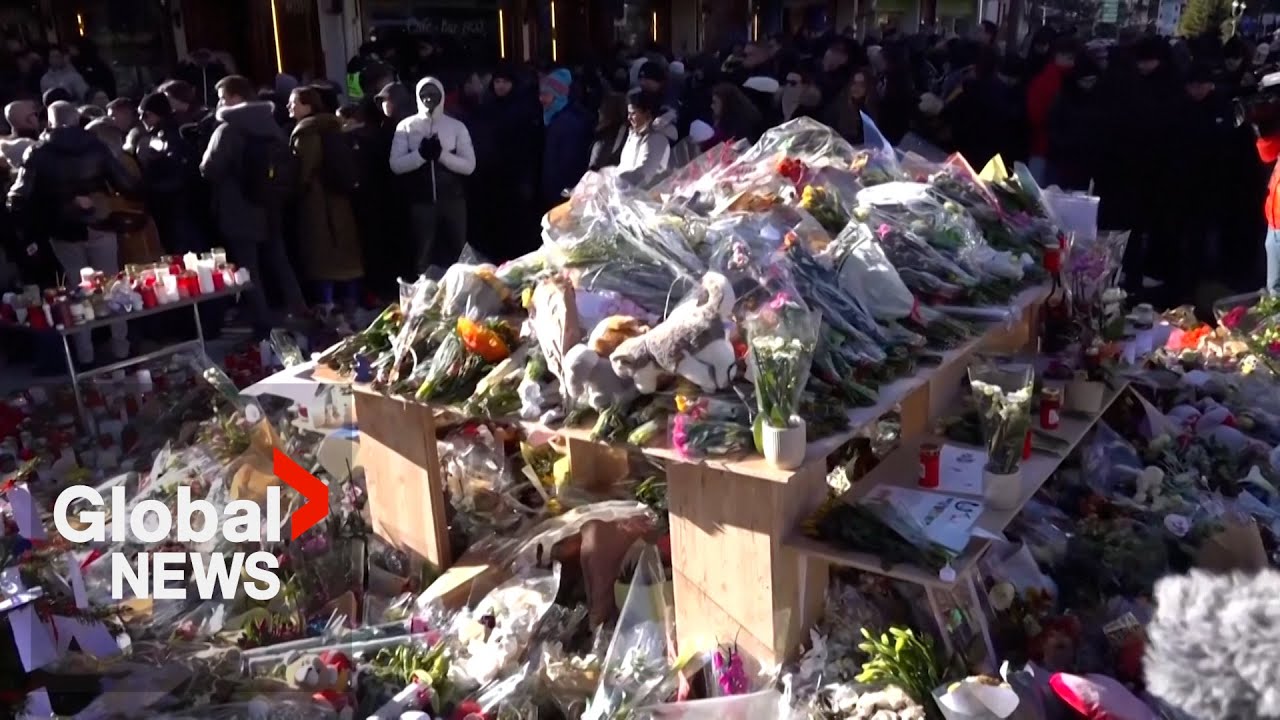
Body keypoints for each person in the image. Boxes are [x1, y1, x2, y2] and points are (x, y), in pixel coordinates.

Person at [7, 101, 136, 365]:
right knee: (111, 287)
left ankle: (85, 355)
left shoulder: (38, 152)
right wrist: (101, 196)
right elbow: (127, 183)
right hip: (98, 223)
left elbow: (18, 197)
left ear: (50, 121)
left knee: (76, 292)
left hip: (62, 229)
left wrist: (48, 207)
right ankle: (121, 349)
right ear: (77, 119)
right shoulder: (96, 147)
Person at [200, 74, 306, 336]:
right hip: (272, 206)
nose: (219, 103)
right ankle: (300, 311)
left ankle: (263, 325)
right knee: (280, 260)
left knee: (249, 270)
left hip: (238, 208)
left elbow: (210, 168)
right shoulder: (271, 124)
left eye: (223, 98)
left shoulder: (227, 129)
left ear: (236, 97)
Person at [287, 86, 364, 313]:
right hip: (340, 201)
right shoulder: (333, 127)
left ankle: (326, 306)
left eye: (294, 102)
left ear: (308, 105)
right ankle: (351, 301)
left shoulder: (307, 132)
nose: (289, 106)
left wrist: (295, 190)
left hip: (317, 202)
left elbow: (304, 170)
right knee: (346, 255)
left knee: (322, 257)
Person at [389, 76, 475, 277]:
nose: (428, 99)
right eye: (424, 95)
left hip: (453, 198)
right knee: (422, 253)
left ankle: (462, 289)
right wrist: (420, 155)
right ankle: (424, 291)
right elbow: (396, 164)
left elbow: (469, 165)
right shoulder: (406, 126)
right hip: (421, 200)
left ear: (441, 96)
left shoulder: (456, 126)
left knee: (459, 251)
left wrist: (442, 156)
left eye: (433, 94)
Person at [135, 92, 204, 254]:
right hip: (183, 202)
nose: (141, 119)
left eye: (145, 114)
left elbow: (175, 172)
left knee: (182, 248)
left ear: (156, 114)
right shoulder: (177, 130)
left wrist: (149, 186)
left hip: (174, 204)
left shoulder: (168, 137)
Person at [1045, 57, 1105, 192]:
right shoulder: (1064, 97)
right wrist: (1064, 143)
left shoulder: (1100, 95)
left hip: (1092, 157)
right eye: (1085, 81)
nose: (1089, 85)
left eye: (1092, 81)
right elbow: (1053, 124)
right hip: (1067, 158)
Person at [1026, 38, 1076, 185]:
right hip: (1048, 144)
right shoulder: (1059, 80)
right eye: (1069, 58)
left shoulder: (1044, 79)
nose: (1072, 63)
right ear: (1058, 55)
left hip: (1042, 144)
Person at [538, 68, 590, 209]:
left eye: (546, 94)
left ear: (559, 95)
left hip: (563, 194)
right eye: (540, 94)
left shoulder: (569, 122)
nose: (541, 99)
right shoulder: (555, 118)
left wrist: (562, 193)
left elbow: (570, 163)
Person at [617, 90, 670, 187]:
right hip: (624, 190)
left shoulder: (657, 139)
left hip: (643, 194)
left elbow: (643, 174)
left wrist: (617, 181)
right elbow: (623, 166)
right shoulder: (633, 135)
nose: (629, 117)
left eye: (633, 113)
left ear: (647, 113)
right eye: (628, 113)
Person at [828, 68, 880, 145]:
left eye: (861, 85)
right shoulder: (837, 107)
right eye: (854, 83)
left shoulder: (871, 109)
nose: (857, 88)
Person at [588, 92, 629, 171]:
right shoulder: (624, 131)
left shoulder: (604, 141)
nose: (599, 110)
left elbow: (593, 169)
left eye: (602, 108)